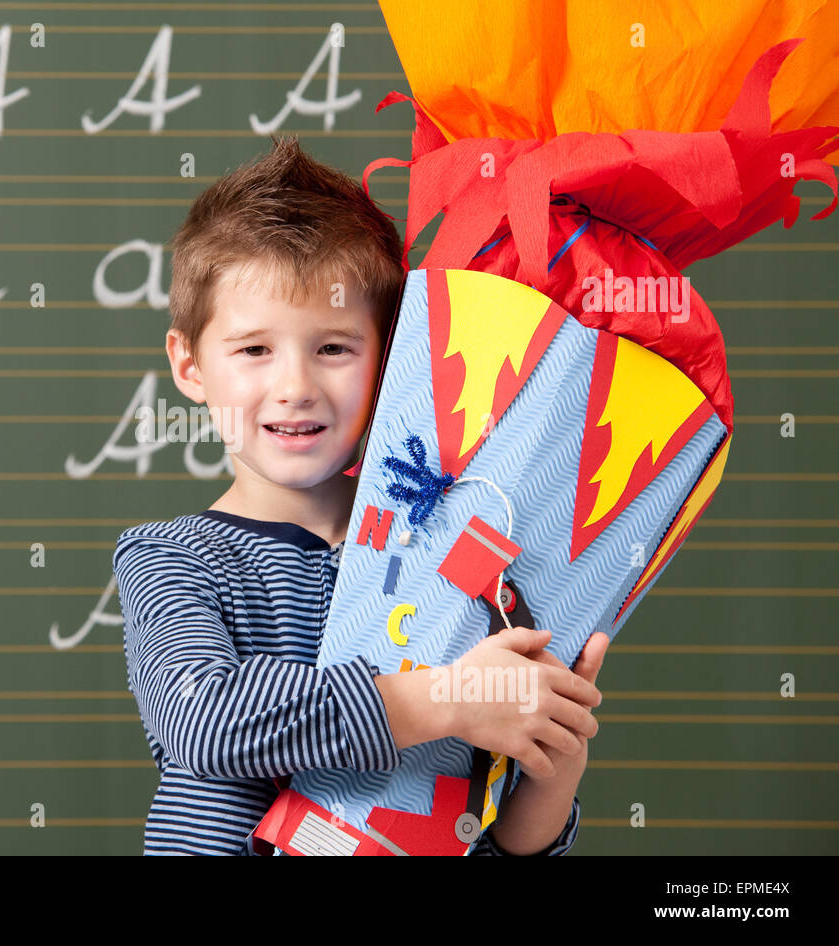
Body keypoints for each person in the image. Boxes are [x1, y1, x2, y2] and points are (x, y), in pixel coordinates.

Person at [112, 135, 608, 856]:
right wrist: (447, 700)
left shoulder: (454, 561)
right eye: (255, 350)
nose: (296, 387)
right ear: (190, 367)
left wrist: (550, 763)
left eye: (334, 348)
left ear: (394, 362)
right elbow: (205, 721)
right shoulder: (173, 559)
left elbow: (490, 838)